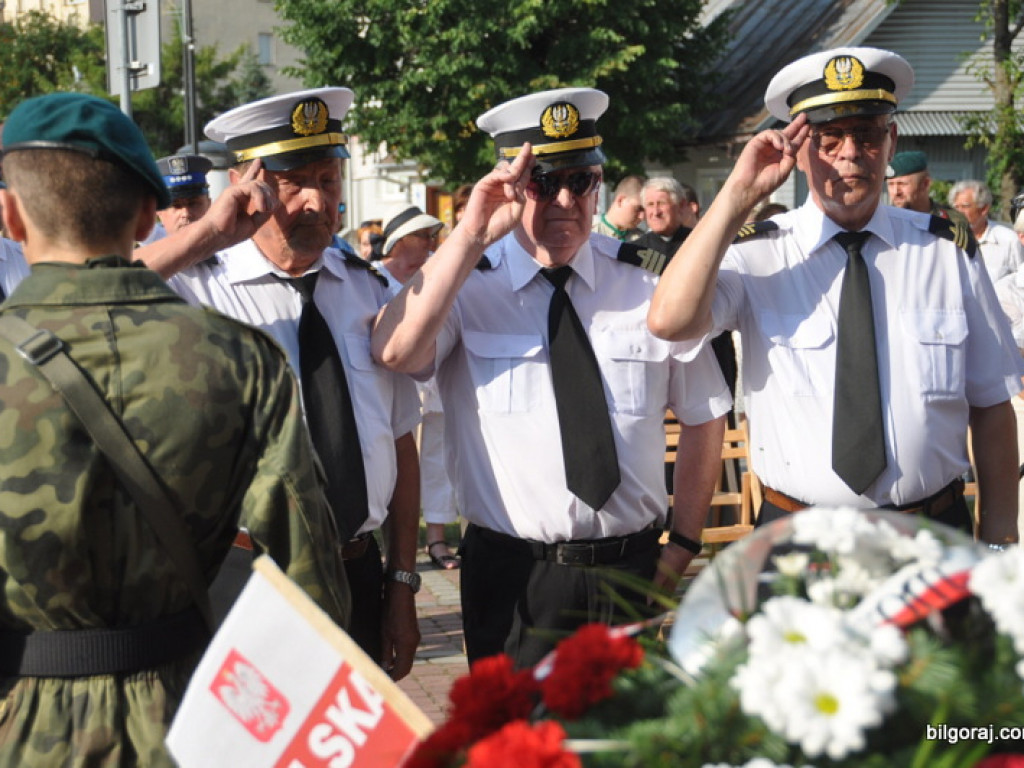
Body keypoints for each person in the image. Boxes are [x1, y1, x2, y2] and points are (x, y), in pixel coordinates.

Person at [0, 92, 350, 766]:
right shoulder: (238, 357)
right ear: (144, 214)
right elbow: (308, 573)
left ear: (12, 215)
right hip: (197, 717)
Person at [372, 87, 731, 668]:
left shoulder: (644, 285)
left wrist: (683, 545)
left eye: (582, 181)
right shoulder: (465, 286)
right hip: (515, 578)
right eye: (542, 182)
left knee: (625, 755)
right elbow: (394, 350)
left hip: (631, 571)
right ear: (510, 188)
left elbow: (705, 411)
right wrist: (468, 234)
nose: (565, 200)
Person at [647, 46, 1022, 547]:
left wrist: (998, 539)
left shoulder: (944, 251)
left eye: (866, 135)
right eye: (829, 139)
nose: (849, 153)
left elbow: (992, 403)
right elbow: (670, 320)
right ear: (799, 151)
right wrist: (736, 197)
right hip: (797, 540)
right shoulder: (759, 252)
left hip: (931, 535)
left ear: (890, 142)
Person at [135, 87, 422, 679]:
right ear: (250, 184)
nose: (319, 200)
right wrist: (211, 233)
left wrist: (401, 583)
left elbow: (398, 442)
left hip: (359, 571)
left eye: (330, 178)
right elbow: (95, 292)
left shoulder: (368, 290)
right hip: (249, 582)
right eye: (295, 183)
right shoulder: (196, 288)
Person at [376, 207, 461, 569]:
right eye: (423, 236)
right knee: (387, 464)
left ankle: (437, 540)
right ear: (399, 241)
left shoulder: (435, 281)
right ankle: (383, 545)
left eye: (432, 236)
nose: (431, 243)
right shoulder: (370, 280)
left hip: (432, 386)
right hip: (387, 394)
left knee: (437, 461)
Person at [636, 177, 738, 400]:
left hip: (707, 347)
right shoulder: (633, 252)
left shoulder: (703, 245)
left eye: (661, 203)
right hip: (655, 351)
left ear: (681, 206)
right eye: (650, 205)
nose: (656, 212)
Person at [950, 179, 1024, 284]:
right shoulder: (948, 240)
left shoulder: (1008, 240)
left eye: (965, 206)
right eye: (956, 207)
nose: (959, 212)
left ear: (984, 209)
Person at [142, 153, 215, 244]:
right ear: (158, 210)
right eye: (176, 205)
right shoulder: (150, 247)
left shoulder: (229, 253)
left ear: (209, 204)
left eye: (193, 203)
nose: (186, 213)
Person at [593, 174, 645, 241]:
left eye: (645, 210)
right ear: (620, 201)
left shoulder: (642, 239)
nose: (642, 216)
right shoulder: (589, 234)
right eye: (638, 208)